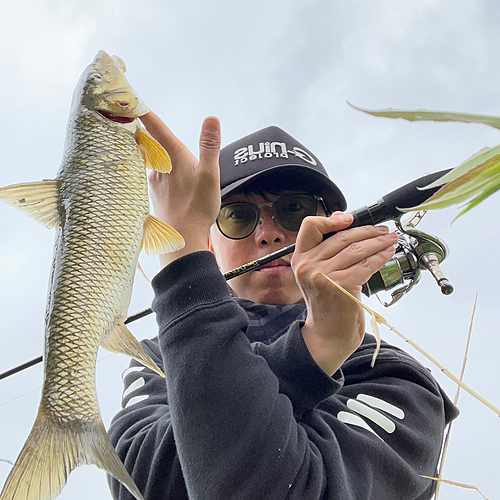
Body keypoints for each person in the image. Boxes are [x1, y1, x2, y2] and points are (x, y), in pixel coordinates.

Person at [108, 113, 458, 500]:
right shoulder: (155, 358)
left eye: (294, 209)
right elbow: (142, 488)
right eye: (238, 216)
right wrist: (310, 353)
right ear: (209, 245)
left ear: (335, 230)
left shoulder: (396, 377)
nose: (269, 232)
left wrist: (184, 276)